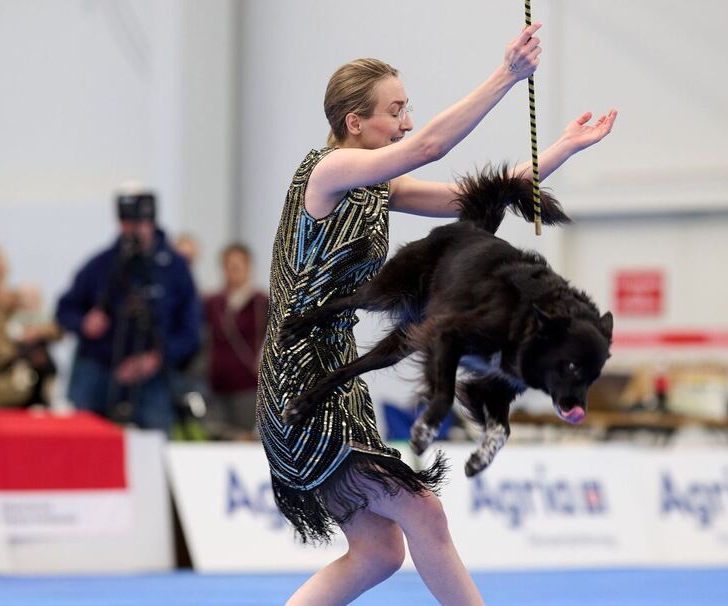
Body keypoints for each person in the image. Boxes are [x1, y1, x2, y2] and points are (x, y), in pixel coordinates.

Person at [257, 22, 617, 606]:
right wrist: (508, 75)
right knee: (424, 512)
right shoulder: (325, 173)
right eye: (395, 110)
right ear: (355, 123)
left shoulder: (378, 186)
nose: (405, 121)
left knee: (379, 553)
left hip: (335, 370)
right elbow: (427, 146)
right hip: (300, 375)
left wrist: (563, 148)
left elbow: (474, 198)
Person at [55, 187, 201, 435]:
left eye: (140, 222)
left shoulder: (175, 268)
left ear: (152, 222)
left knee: (154, 439)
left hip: (152, 375)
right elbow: (64, 310)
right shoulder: (101, 264)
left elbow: (191, 332)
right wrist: (84, 323)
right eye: (127, 222)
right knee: (85, 437)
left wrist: (156, 358)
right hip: (100, 370)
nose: (133, 230)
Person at [0, 240, 60, 408]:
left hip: (34, 384)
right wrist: (21, 350)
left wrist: (38, 333)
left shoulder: (20, 297)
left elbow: (54, 328)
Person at [203, 242, 268, 440]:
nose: (234, 272)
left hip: (248, 385)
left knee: (245, 439)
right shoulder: (212, 302)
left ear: (248, 268)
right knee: (218, 437)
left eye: (238, 266)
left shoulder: (262, 303)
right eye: (229, 267)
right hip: (217, 384)